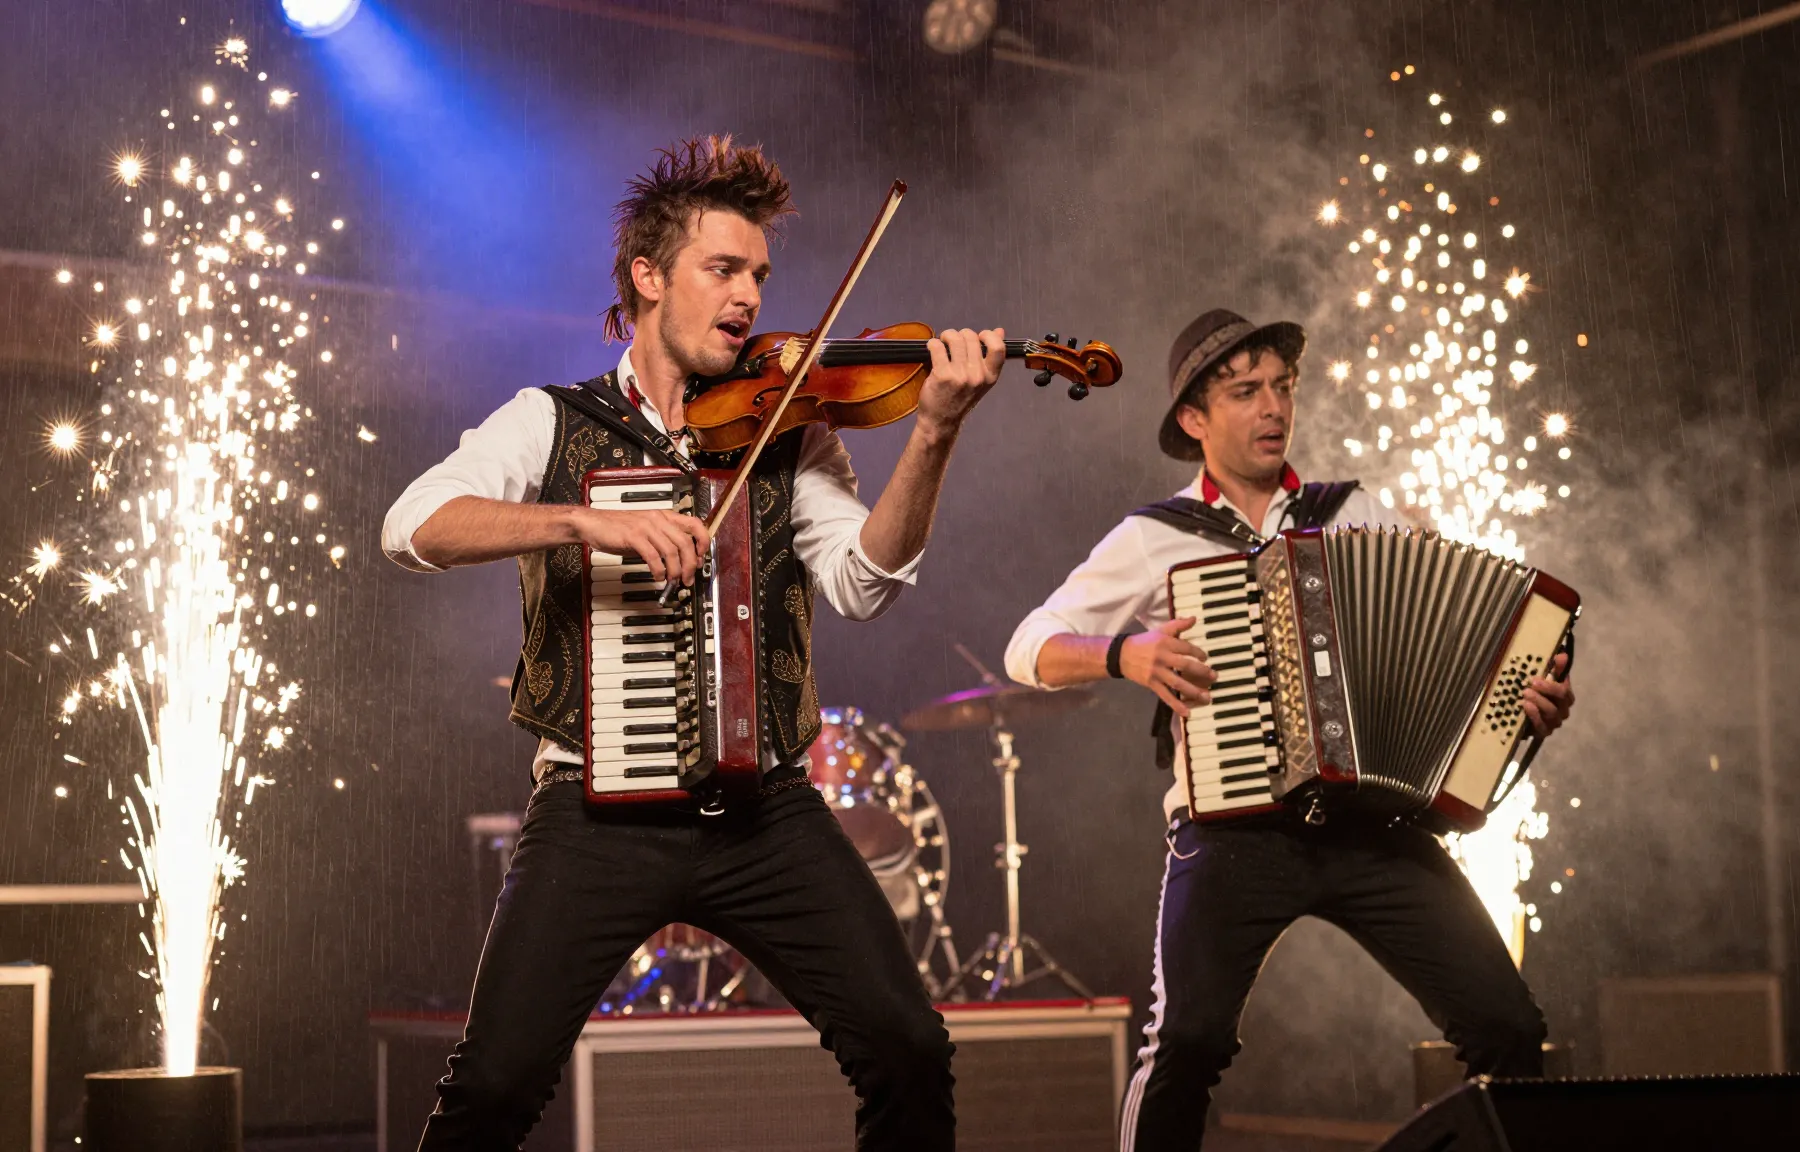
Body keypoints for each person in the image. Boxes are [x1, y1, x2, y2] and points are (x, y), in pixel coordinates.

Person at [382, 135, 1007, 1150]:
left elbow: (863, 585)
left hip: (766, 813)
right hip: (593, 814)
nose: (750, 296)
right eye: (723, 269)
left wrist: (933, 433)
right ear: (648, 276)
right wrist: (580, 521)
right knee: (493, 1087)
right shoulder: (550, 421)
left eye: (759, 274)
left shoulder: (793, 430)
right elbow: (411, 526)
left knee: (907, 1048)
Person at [1003, 309, 1577, 1150]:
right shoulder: (1155, 537)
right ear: (1194, 420)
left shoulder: (1353, 510)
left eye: (1282, 387)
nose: (1273, 407)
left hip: (1372, 823)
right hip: (1235, 828)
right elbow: (1028, 647)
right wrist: (1125, 654)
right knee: (1188, 1042)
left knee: (1509, 1027)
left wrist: (1521, 696)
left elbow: (1458, 638)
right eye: (1245, 392)